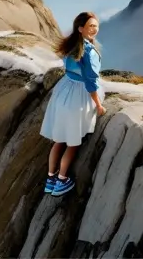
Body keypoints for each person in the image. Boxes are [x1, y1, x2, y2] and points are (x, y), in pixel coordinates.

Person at [40, 11, 106, 196]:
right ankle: (62, 180)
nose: (94, 29)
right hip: (78, 95)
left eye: (96, 26)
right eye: (90, 26)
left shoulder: (71, 46)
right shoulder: (88, 52)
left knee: (59, 140)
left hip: (64, 91)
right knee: (72, 142)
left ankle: (50, 178)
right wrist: (98, 104)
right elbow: (91, 81)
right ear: (80, 28)